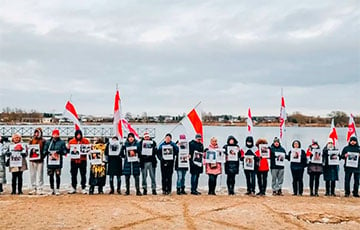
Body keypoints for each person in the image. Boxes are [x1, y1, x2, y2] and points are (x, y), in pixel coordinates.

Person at [43, 129, 67, 195]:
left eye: (56, 134)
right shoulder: (48, 142)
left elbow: (64, 150)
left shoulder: (62, 142)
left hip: (58, 162)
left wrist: (61, 152)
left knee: (58, 175)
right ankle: (52, 188)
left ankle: (57, 189)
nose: (55, 135)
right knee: (51, 175)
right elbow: (44, 150)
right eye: (54, 134)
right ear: (52, 135)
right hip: (50, 162)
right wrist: (46, 152)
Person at [68, 130, 90, 194]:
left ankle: (83, 187)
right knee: (73, 174)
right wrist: (68, 148)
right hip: (74, 160)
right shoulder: (71, 141)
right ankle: (73, 187)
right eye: (77, 135)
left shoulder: (85, 141)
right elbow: (68, 151)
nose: (78, 136)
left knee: (83, 174)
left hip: (82, 160)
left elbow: (88, 150)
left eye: (79, 135)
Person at [28, 128, 46, 195]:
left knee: (40, 175)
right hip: (32, 160)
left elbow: (45, 150)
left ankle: (40, 188)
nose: (36, 134)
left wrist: (42, 156)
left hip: (40, 160)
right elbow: (29, 149)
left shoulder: (43, 141)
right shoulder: (31, 140)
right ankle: (33, 187)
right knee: (32, 174)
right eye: (35, 133)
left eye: (38, 133)